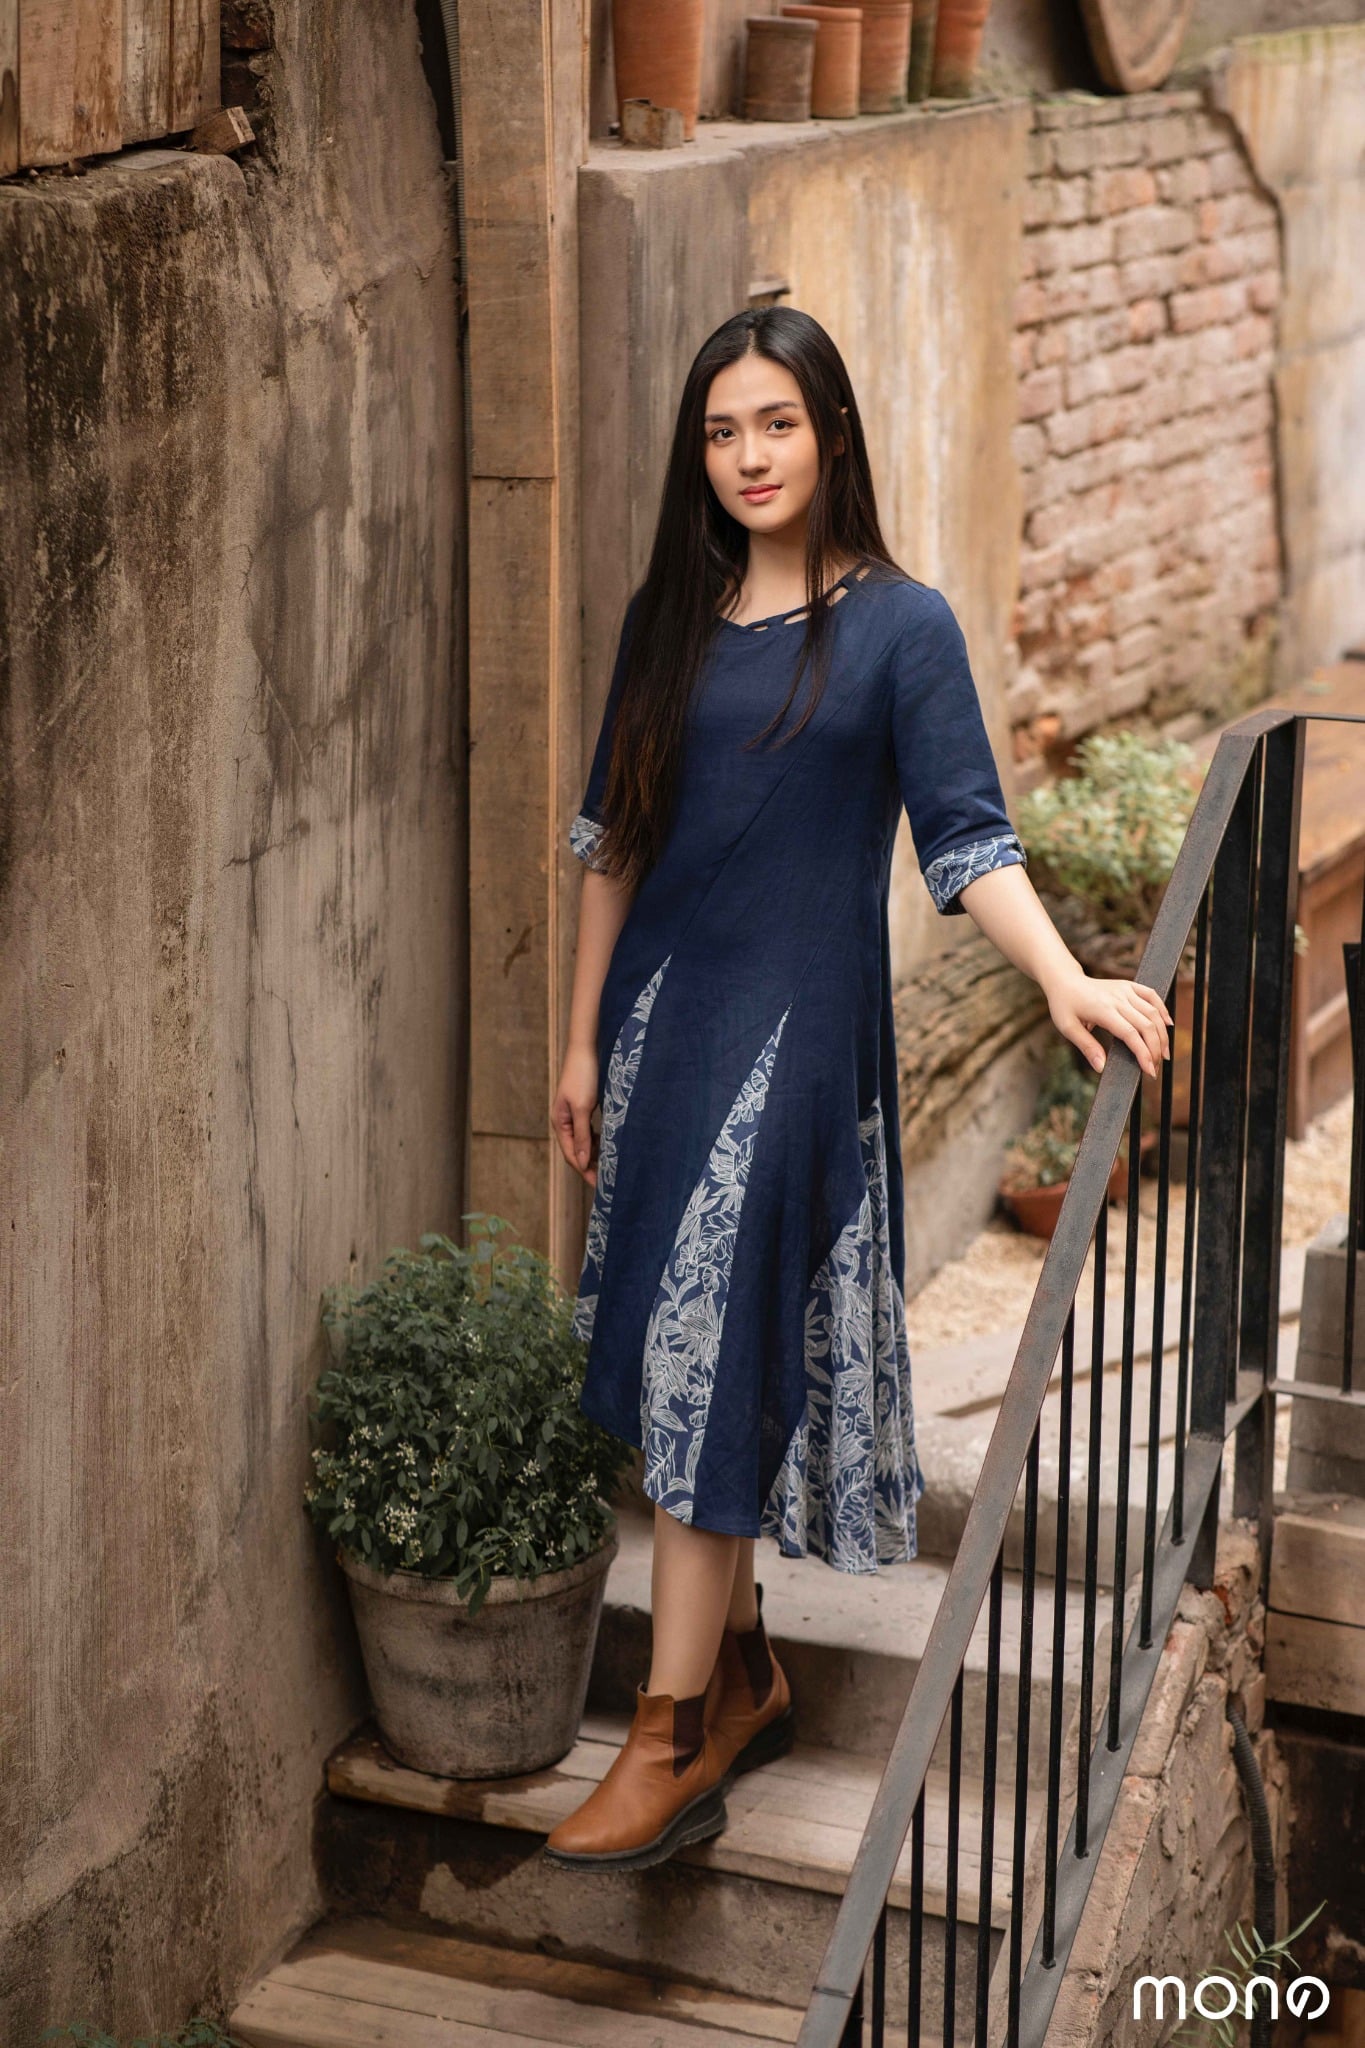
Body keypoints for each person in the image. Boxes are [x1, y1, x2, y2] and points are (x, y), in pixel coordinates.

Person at [543, 307, 1170, 1874]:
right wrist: (579, 1043)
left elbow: (965, 835)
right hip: (658, 1032)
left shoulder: (902, 627)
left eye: (775, 424)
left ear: (829, 432)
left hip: (798, 1046)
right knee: (679, 1346)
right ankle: (743, 1669)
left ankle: (665, 1737)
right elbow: (614, 837)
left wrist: (1062, 978)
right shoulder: (668, 618)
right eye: (720, 431)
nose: (747, 457)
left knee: (712, 1356)